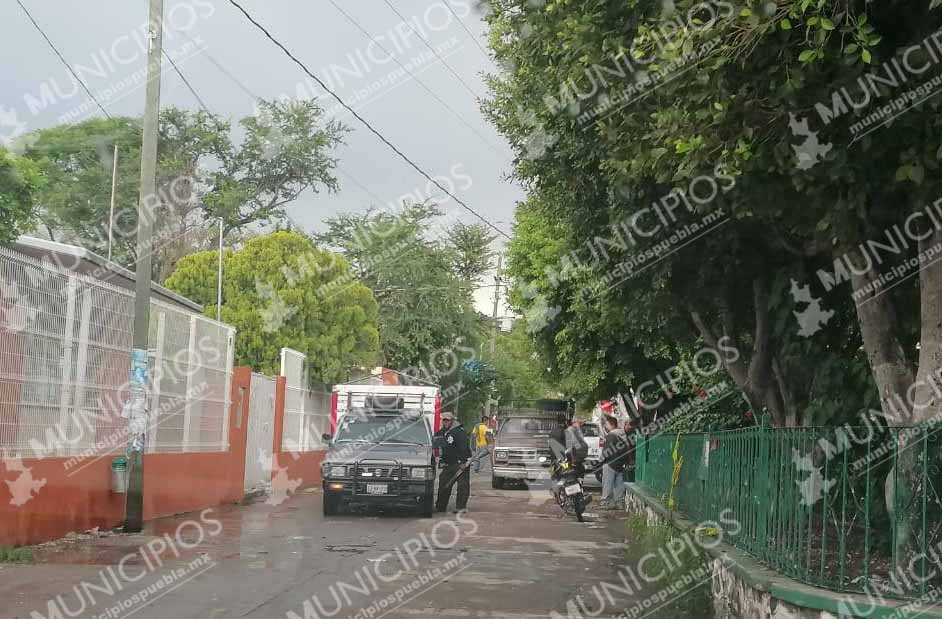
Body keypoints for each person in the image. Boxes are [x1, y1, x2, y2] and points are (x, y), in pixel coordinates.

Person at [434, 411, 472, 513]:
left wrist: (464, 462)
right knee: (444, 485)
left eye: (447, 420)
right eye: (444, 420)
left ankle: (461, 507)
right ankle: (440, 507)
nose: (445, 422)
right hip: (448, 464)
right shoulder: (444, 432)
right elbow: (435, 439)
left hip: (460, 463)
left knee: (462, 486)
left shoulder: (460, 432)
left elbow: (464, 448)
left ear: (452, 421)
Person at [599, 415, 629, 510]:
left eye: (606, 424)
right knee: (619, 485)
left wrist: (601, 461)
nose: (605, 427)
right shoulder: (624, 435)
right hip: (621, 464)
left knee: (607, 484)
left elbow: (607, 451)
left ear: (612, 424)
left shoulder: (611, 435)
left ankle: (605, 503)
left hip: (610, 463)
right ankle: (619, 503)